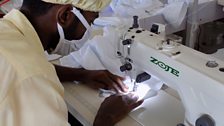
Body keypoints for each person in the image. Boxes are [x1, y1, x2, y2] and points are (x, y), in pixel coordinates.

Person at [0, 0, 143, 126]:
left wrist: (80, 74)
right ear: (65, 15)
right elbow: (31, 75)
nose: (89, 30)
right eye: (91, 22)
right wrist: (105, 118)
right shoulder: (35, 78)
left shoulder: (6, 30)